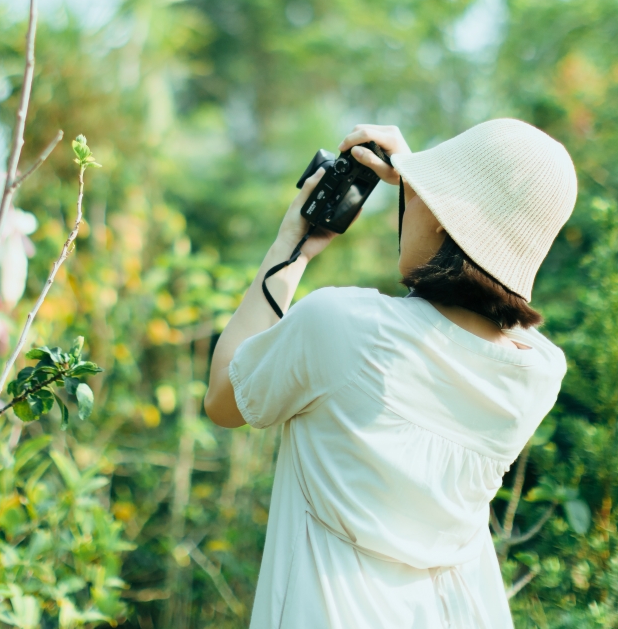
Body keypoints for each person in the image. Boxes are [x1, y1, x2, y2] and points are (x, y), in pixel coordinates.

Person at [204, 118, 578, 628]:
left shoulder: (342, 327)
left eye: (423, 194)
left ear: (446, 221)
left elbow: (225, 400)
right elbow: (473, 310)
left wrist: (289, 246)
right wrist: (431, 191)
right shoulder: (537, 374)